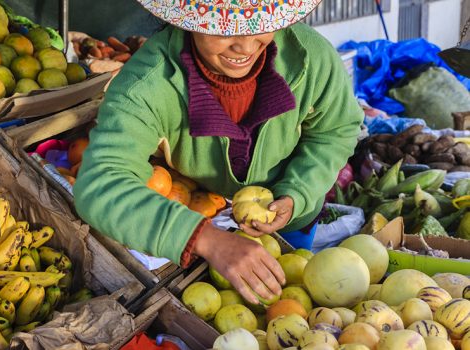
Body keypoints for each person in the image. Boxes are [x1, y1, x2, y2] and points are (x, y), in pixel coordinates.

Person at [73, 0, 364, 304]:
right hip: (198, 221)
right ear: (186, 19)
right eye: (225, 29)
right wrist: (203, 238)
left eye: (260, 24)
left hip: (293, 222)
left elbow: (337, 129)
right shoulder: (146, 84)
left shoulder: (311, 56)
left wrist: (298, 193)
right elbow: (100, 184)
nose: (246, 46)